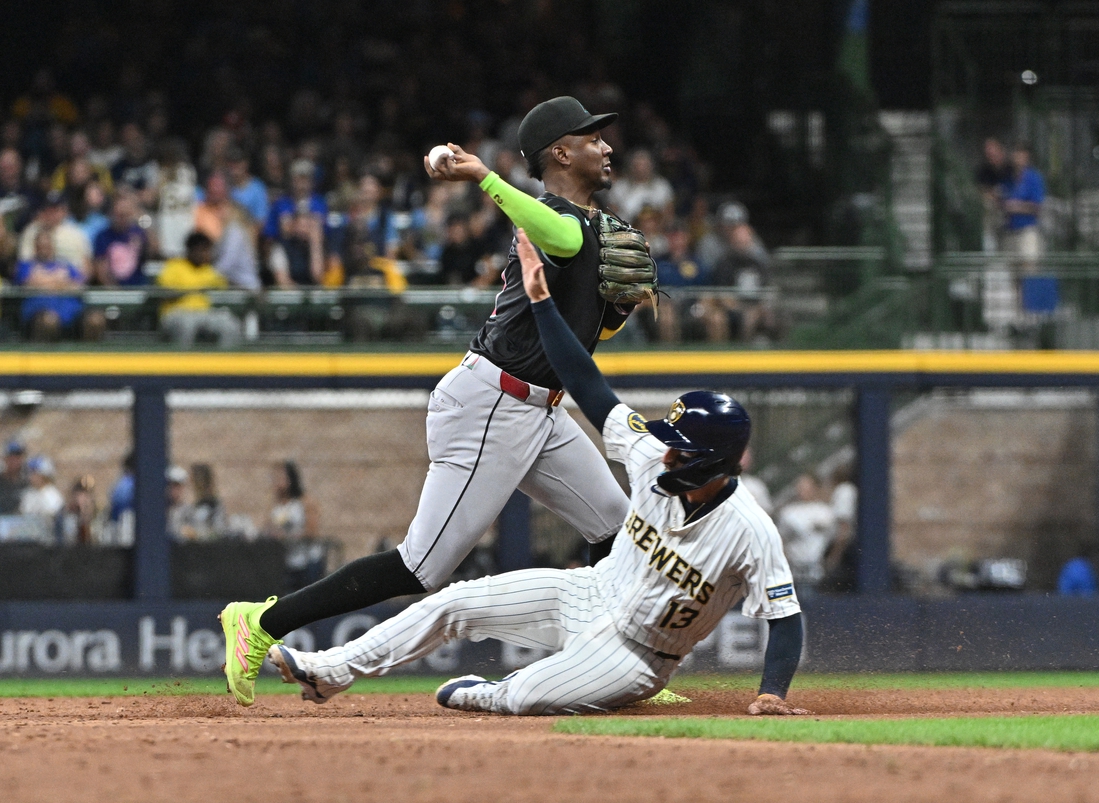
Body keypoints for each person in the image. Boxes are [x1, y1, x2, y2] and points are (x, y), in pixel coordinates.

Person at [264, 228, 807, 717]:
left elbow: (785, 619)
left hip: (638, 653)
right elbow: (585, 382)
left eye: (681, 451)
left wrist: (772, 694)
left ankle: (490, 693)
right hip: (586, 592)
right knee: (452, 602)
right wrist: (543, 302)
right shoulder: (648, 455)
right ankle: (330, 670)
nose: (666, 454)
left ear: (715, 462)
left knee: (526, 694)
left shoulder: (749, 529)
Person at [218, 96, 638, 707]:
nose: (606, 146)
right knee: (421, 568)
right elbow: (560, 235)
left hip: (540, 408)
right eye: (592, 138)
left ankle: (608, 669)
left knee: (620, 533)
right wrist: (484, 176)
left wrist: (615, 312)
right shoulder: (552, 218)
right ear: (561, 152)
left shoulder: (595, 228)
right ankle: (260, 625)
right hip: (492, 404)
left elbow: (587, 326)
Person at [15, 229, 105, 341]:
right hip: (39, 313)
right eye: (40, 246)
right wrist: (60, 281)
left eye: (47, 245)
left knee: (95, 319)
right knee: (49, 321)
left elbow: (79, 285)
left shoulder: (65, 265)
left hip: (72, 313)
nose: (44, 249)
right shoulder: (26, 265)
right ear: (35, 247)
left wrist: (45, 281)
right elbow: (27, 283)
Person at [156, 231, 242, 348]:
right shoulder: (174, 266)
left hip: (203, 313)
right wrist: (189, 291)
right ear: (192, 250)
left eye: (208, 250)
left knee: (229, 324)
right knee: (187, 324)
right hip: (177, 313)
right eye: (203, 250)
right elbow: (164, 293)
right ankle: (182, 362)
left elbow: (227, 283)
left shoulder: (207, 270)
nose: (206, 254)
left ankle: (224, 362)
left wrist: (252, 290)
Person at [776, 474, 837, 589]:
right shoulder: (788, 512)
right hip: (794, 568)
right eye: (800, 487)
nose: (803, 491)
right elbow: (781, 539)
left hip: (817, 568)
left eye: (807, 487)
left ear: (815, 488)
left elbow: (833, 537)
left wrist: (829, 562)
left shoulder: (825, 511)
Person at [1000, 142, 1045, 275]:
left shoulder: (1034, 178)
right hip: (1010, 230)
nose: (1018, 158)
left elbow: (1037, 207)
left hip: (1027, 230)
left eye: (1022, 155)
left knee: (1029, 269)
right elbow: (1003, 200)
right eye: (1016, 155)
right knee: (1013, 272)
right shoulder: (1009, 178)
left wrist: (1016, 206)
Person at [92, 194, 149, 286]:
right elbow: (100, 269)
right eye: (119, 215)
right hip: (112, 292)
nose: (122, 219)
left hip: (137, 290)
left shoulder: (139, 234)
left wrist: (144, 220)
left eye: (126, 214)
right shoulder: (103, 236)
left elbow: (155, 250)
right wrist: (115, 292)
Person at [0, 440, 28, 514]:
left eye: (17, 458)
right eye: (11, 458)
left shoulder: (27, 483)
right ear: (5, 459)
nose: (14, 461)